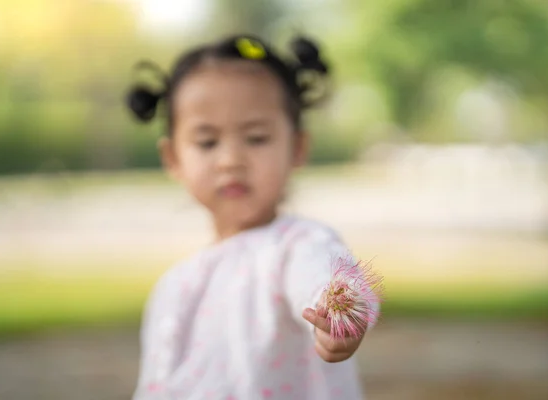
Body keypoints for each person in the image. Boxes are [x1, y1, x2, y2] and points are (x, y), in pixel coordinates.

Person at [125, 34, 382, 400]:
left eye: (257, 138)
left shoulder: (297, 246)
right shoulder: (173, 286)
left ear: (297, 148)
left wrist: (339, 309)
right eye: (207, 142)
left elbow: (321, 275)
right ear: (173, 159)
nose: (231, 160)